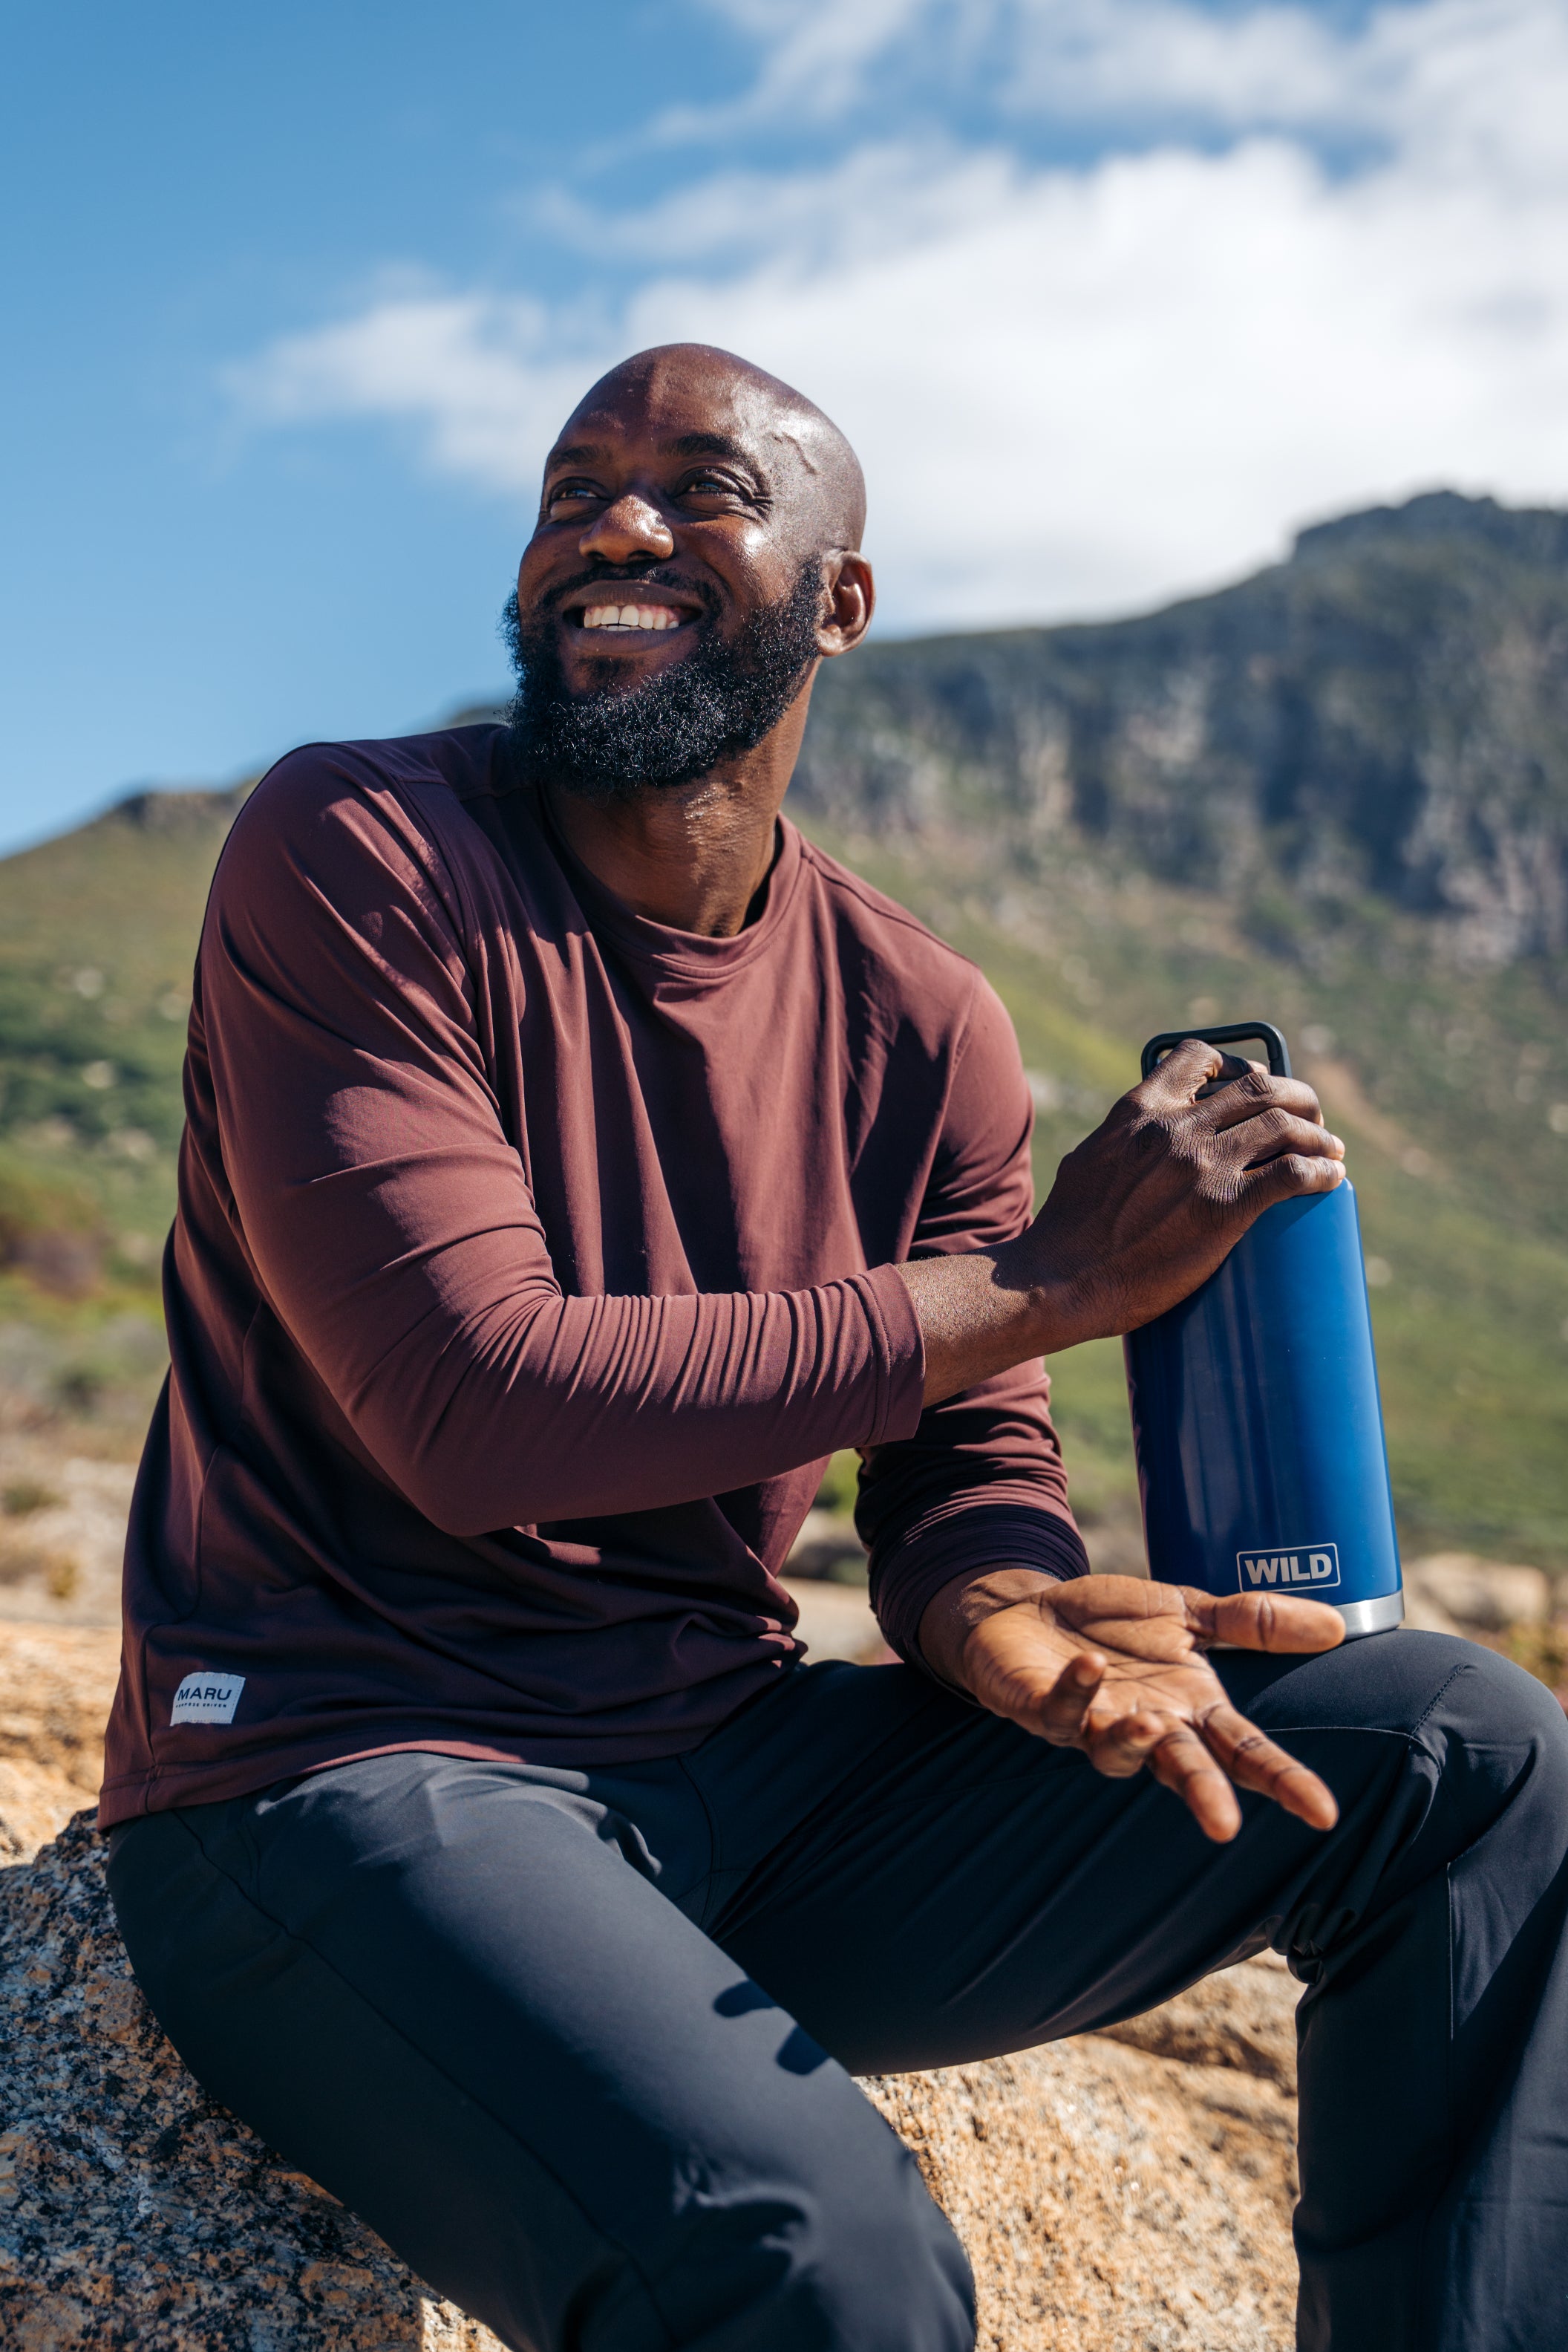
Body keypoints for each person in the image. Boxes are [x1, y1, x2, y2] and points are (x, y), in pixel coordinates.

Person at [103, 343, 1568, 2352]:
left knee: (1466, 1756)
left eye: (700, 487)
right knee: (815, 2255)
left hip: (730, 1775)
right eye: (573, 489)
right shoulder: (362, 853)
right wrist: (1054, 1284)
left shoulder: (921, 1013)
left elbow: (966, 1476)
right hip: (344, 1772)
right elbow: (473, 1406)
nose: (614, 527)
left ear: (840, 599)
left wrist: (1014, 1633)